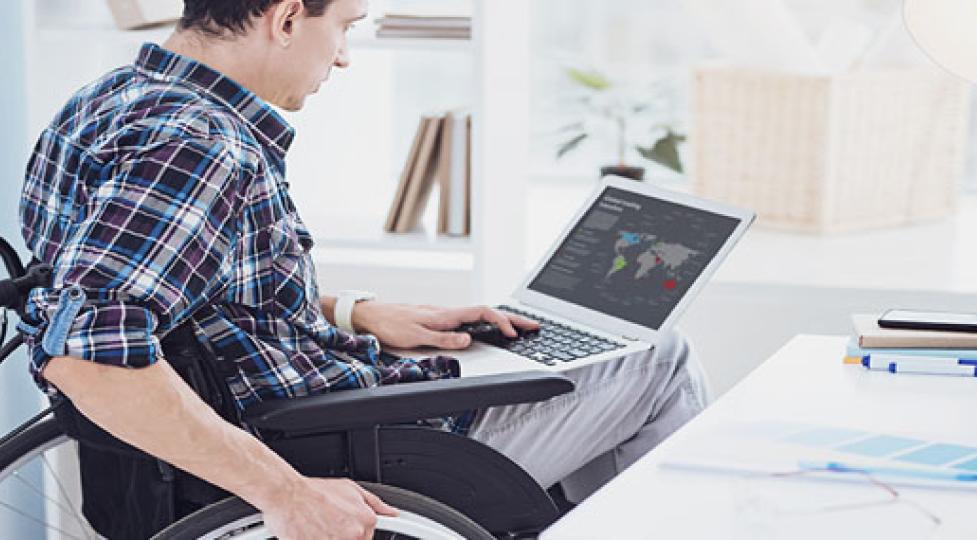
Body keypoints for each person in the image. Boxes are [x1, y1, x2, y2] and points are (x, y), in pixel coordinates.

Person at [17, 0, 709, 538]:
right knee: (659, 360)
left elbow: (179, 298)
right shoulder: (201, 142)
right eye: (345, 27)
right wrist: (285, 493)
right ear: (287, 18)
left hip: (292, 407)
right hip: (334, 442)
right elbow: (89, 355)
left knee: (533, 364)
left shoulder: (104, 102)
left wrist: (355, 313)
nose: (344, 57)